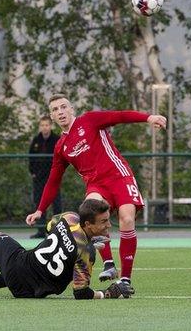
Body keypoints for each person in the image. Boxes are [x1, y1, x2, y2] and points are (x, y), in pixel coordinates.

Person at [26, 93, 167, 287]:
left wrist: (148, 117)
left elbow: (119, 116)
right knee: (89, 212)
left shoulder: (89, 120)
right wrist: (40, 210)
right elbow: (53, 180)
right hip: (96, 185)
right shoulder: (61, 147)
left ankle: (125, 279)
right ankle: (108, 263)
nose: (60, 112)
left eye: (63, 107)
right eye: (55, 109)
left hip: (119, 175)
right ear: (51, 116)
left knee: (127, 219)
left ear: (71, 109)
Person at [0, 199, 134, 299]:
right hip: (29, 292)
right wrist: (108, 293)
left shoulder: (69, 218)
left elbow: (50, 227)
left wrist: (73, 240)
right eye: (104, 221)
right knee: (43, 265)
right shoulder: (87, 253)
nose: (108, 225)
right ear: (88, 225)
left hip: (18, 270)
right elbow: (81, 293)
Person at [28, 115, 62, 239]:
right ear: (39, 126)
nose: (45, 127)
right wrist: (32, 172)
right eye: (42, 125)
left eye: (47, 125)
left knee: (56, 204)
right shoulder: (36, 140)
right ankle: (41, 231)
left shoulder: (57, 139)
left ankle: (58, 230)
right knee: (39, 204)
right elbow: (30, 157)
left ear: (51, 126)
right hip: (38, 178)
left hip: (52, 178)